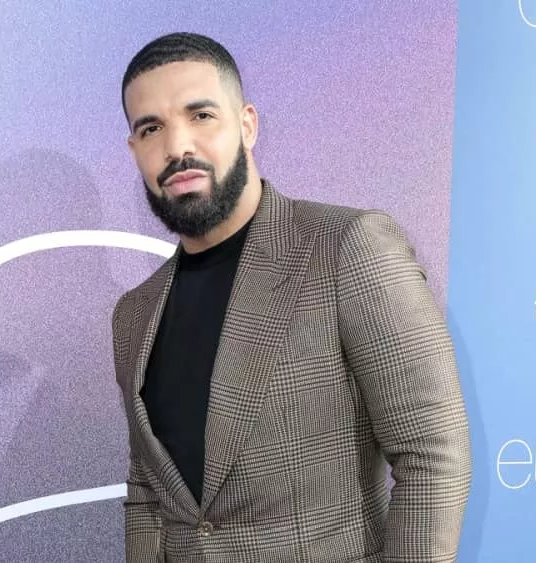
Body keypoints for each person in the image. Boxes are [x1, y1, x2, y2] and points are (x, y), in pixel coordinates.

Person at [111, 31, 471, 562]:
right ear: (135, 148)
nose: (178, 146)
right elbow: (147, 489)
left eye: (201, 115)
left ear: (248, 124)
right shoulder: (134, 315)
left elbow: (433, 455)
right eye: (152, 127)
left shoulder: (347, 248)